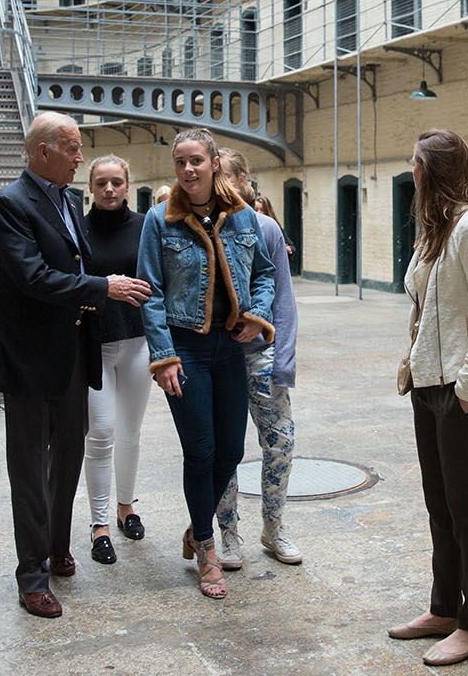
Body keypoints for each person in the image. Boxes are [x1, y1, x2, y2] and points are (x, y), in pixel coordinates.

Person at [0, 112, 150, 618]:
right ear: (44, 152)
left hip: (72, 354)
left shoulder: (63, 200)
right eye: (74, 148)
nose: (81, 158)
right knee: (31, 467)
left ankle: (58, 548)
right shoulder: (11, 204)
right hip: (31, 358)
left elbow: (71, 264)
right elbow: (32, 277)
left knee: (71, 456)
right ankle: (31, 574)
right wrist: (105, 288)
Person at [137, 128, 275, 599]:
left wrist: (258, 317)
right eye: (180, 162)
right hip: (186, 348)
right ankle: (208, 552)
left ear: (215, 162)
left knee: (231, 452)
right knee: (200, 450)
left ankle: (196, 527)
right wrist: (163, 358)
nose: (188, 169)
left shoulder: (242, 217)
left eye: (196, 160)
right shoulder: (160, 221)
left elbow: (266, 274)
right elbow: (151, 292)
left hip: (230, 348)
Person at [388, 128, 468, 667]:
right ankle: (444, 608)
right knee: (440, 505)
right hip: (429, 384)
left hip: (463, 388)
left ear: (432, 169)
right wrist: (411, 362)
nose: (411, 172)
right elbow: (424, 305)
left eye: (415, 164)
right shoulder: (435, 230)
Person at [214, 150, 301, 569]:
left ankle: (274, 527)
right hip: (220, 358)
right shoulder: (203, 228)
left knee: (280, 442)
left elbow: (283, 298)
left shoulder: (265, 228)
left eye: (226, 179)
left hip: (262, 355)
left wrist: (283, 359)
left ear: (244, 180)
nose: (219, 187)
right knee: (223, 449)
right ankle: (228, 533)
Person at [80, 154, 152, 566]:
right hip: (95, 343)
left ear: (127, 185)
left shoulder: (145, 227)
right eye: (102, 182)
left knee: (130, 432)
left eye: (117, 183)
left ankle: (126, 507)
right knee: (102, 431)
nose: (109, 189)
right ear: (91, 186)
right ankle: (99, 524)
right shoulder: (78, 228)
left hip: (137, 340)